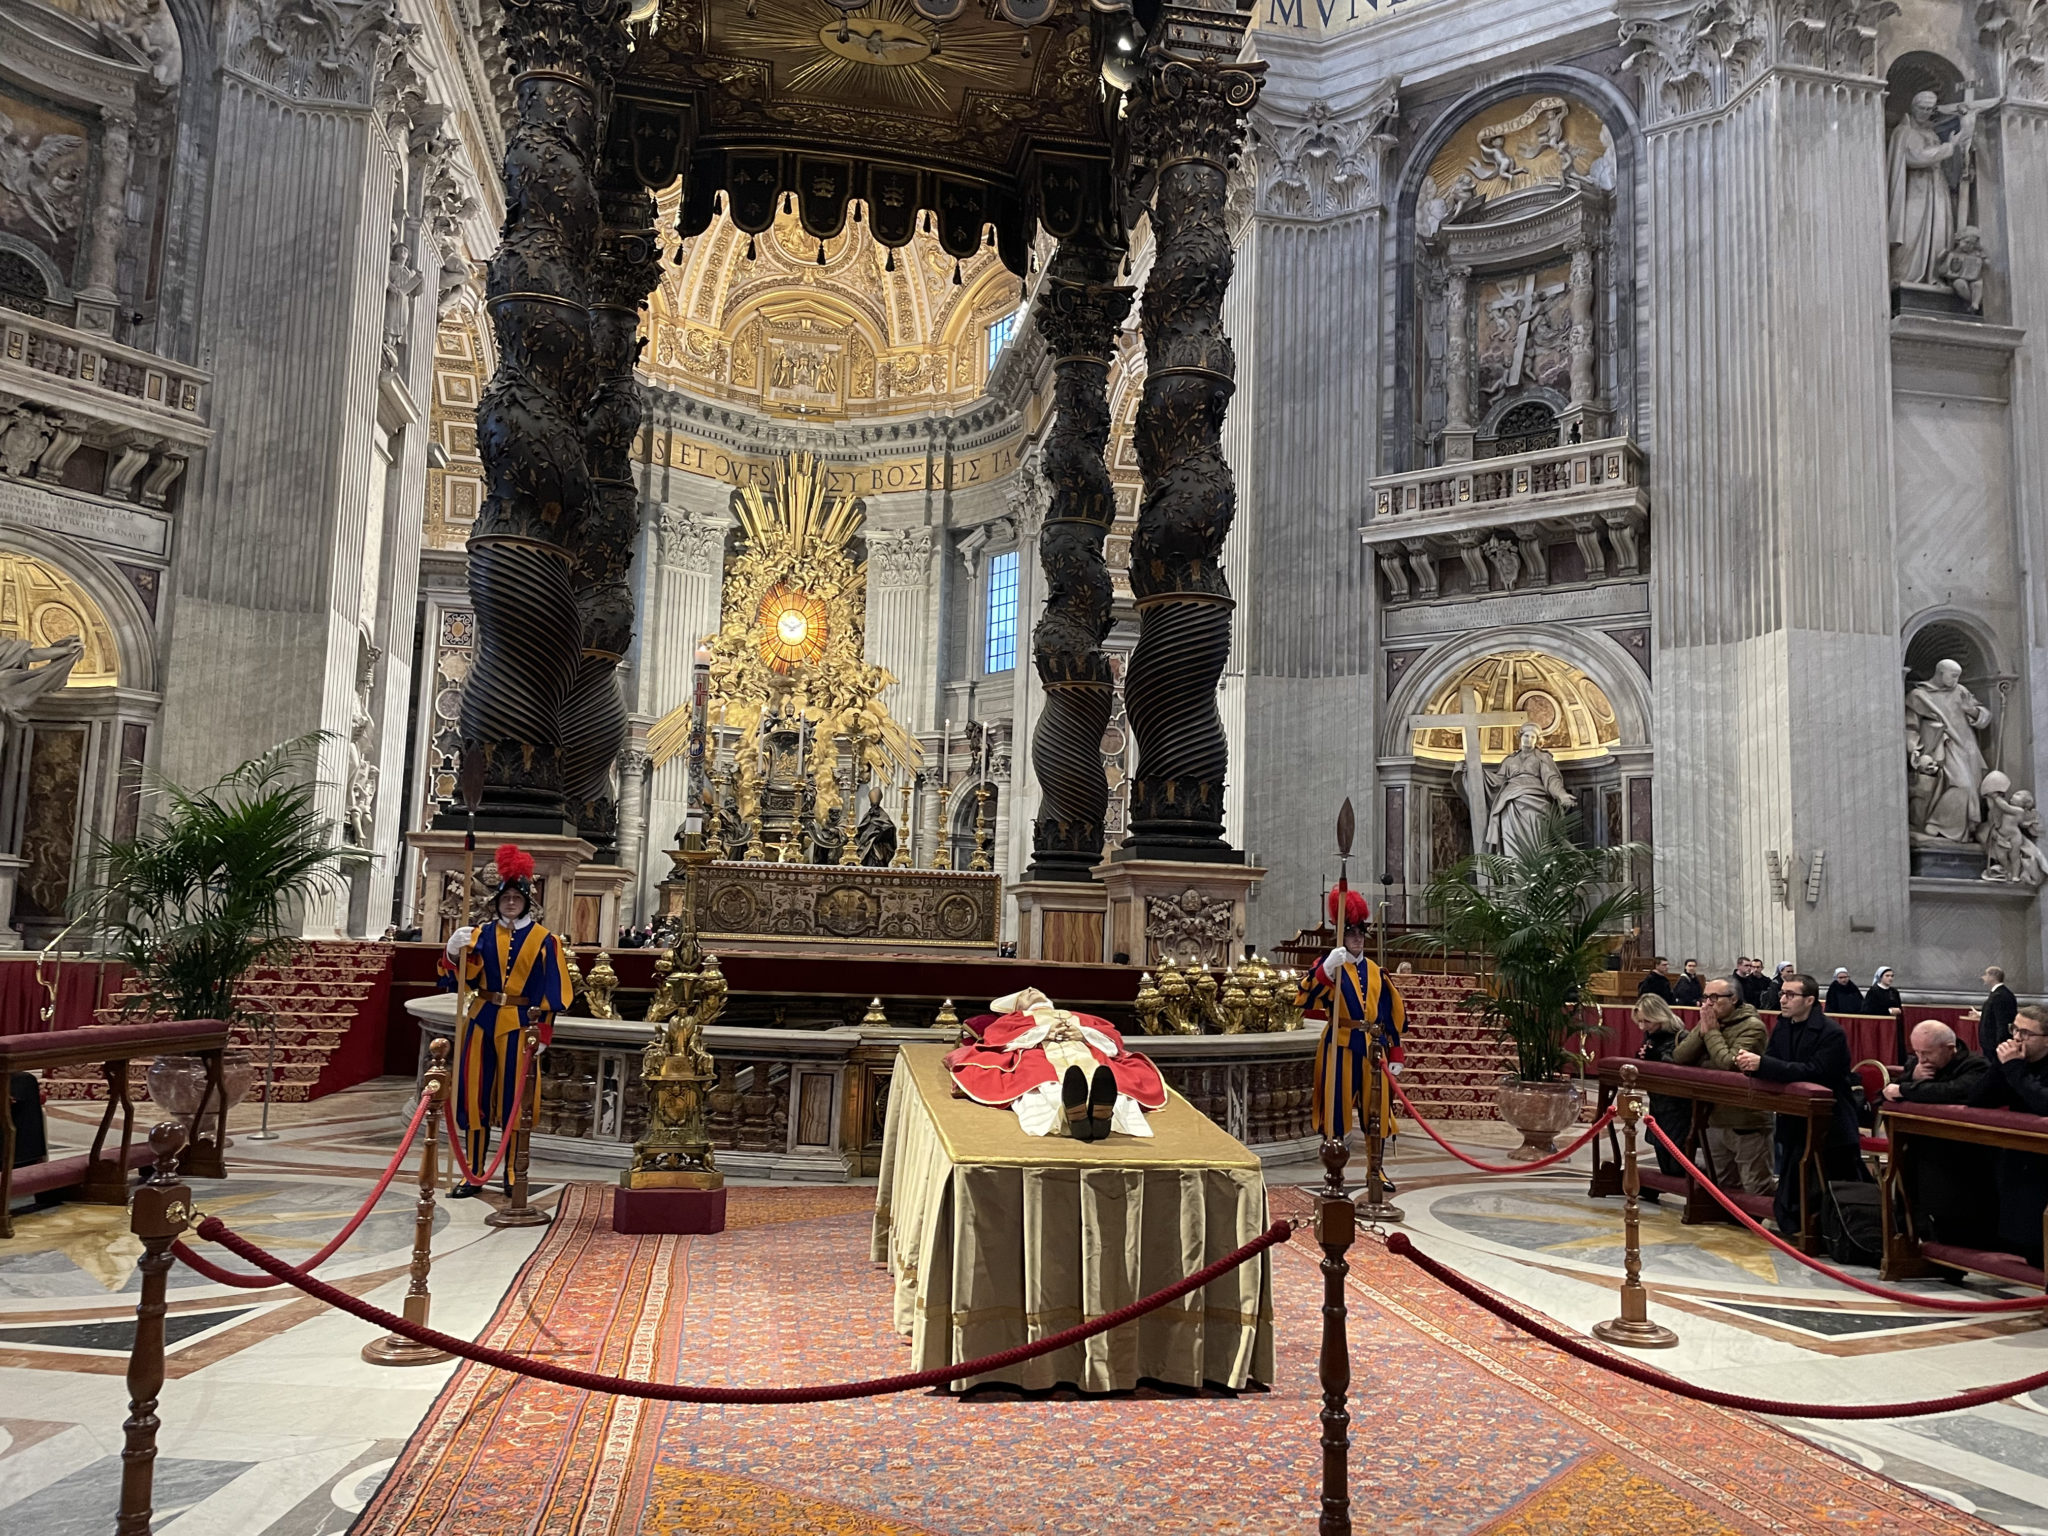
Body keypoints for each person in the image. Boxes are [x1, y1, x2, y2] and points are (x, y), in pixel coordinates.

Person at [439, 844, 573, 1197]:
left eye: (517, 898)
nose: (511, 902)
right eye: (505, 898)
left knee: (516, 1099)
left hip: (520, 1024)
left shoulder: (546, 941)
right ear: (497, 901)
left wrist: (543, 1033)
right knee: (474, 1094)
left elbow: (553, 989)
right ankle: (473, 1171)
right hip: (481, 1018)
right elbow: (459, 980)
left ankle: (514, 1170)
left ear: (527, 902)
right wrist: (452, 953)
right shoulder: (479, 934)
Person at [1735, 972, 1864, 1238]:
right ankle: (1801, 1227)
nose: (1782, 999)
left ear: (1809, 1000)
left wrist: (1763, 1064)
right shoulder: (1783, 1026)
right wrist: (1753, 1065)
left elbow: (1815, 1071)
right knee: (1794, 1184)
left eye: (1790, 995)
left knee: (1834, 1185)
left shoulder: (1831, 1032)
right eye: (1782, 993)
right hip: (1794, 1118)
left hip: (1831, 1124)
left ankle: (1838, 1233)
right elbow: (1772, 1060)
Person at [945, 987, 1167, 1140]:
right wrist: (1043, 1032)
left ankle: (1100, 1114)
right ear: (1018, 1006)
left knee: (1103, 1071)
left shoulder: (1074, 1014)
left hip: (1083, 1048)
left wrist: (1083, 1033)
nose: (1032, 990)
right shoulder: (1014, 1019)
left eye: (1036, 991)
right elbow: (996, 1039)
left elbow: (1113, 1038)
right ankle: (1070, 1116)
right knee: (1039, 1074)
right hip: (1039, 1051)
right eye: (1026, 994)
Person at [1296, 889, 1408, 1151]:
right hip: (1339, 1045)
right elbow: (1305, 998)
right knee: (1334, 1109)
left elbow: (1388, 1015)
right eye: (1350, 933)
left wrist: (1396, 1052)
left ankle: (1376, 1168)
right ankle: (1334, 1167)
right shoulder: (1330, 966)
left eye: (1360, 933)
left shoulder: (1376, 971)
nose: (1357, 938)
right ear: (1341, 936)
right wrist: (1325, 970)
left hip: (1373, 1047)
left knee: (1377, 1110)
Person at [1673, 978, 1774, 1194]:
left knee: (1755, 1187)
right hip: (1713, 1116)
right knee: (1722, 1186)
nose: (1708, 1003)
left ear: (1733, 999)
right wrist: (1703, 1031)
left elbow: (1729, 1065)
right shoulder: (1710, 1021)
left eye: (1714, 997)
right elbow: (1680, 1057)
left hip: (1745, 1119)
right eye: (1705, 997)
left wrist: (1710, 1033)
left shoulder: (1752, 1027)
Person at [1967, 1003, 2048, 1265]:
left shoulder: (2023, 1066)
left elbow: (2043, 1103)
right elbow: (1977, 1099)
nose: (2016, 1038)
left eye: (2026, 1033)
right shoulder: (2015, 1063)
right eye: (2015, 1029)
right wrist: (2001, 1067)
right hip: (2018, 1155)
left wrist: (2013, 1068)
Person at [1633, 994, 1692, 1181]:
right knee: (1664, 1163)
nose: (1642, 1027)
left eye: (1647, 1021)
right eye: (1640, 1021)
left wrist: (1657, 1057)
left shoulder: (1681, 1037)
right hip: (1658, 1104)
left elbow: (1682, 1068)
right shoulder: (1651, 1037)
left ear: (1659, 1016)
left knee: (1677, 1164)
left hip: (1678, 1107)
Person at [1883, 1020, 1988, 1105]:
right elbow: (1891, 1089)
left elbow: (1952, 1091)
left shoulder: (1978, 1065)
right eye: (1917, 1052)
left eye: (1927, 1053)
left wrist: (1904, 1090)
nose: (1921, 1059)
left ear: (1950, 1048)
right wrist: (1913, 1076)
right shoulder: (1917, 1061)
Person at [1963, 965, 2017, 1058]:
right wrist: (1980, 1014)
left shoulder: (2000, 995)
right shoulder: (2000, 993)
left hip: (1994, 1045)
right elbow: (1995, 1013)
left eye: (1985, 975)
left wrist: (2000, 1044)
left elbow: (2002, 1021)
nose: (1983, 977)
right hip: (1991, 1044)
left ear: (1992, 977)